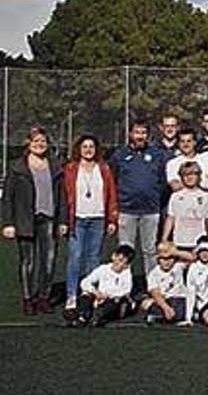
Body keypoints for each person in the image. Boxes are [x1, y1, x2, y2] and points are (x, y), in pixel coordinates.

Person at [2, 127, 67, 314]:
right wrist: (8, 223)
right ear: (28, 144)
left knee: (48, 260)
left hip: (49, 219)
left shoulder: (55, 166)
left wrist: (62, 221)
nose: (39, 144)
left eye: (43, 141)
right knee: (27, 262)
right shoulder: (17, 167)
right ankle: (28, 298)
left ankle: (44, 297)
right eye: (36, 141)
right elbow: (8, 197)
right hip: (25, 220)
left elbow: (61, 195)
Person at [61, 134, 119, 313]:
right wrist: (64, 221)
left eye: (91, 147)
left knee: (93, 259)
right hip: (77, 219)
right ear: (78, 149)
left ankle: (89, 294)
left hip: (98, 219)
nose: (88, 150)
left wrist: (112, 219)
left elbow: (111, 196)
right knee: (75, 257)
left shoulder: (104, 169)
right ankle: (71, 295)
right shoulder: (70, 169)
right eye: (84, 146)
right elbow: (64, 196)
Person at [111, 119, 167, 273]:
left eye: (143, 133)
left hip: (151, 211)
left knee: (150, 251)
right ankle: (122, 288)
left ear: (148, 135)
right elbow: (112, 181)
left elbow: (163, 182)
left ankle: (152, 287)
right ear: (130, 134)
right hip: (126, 211)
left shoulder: (157, 155)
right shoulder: (120, 155)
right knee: (125, 252)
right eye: (137, 132)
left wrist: (154, 199)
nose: (140, 136)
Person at [70, 244, 135, 327]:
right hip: (99, 298)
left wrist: (107, 295)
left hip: (111, 301)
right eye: (119, 260)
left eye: (124, 263)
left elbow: (126, 290)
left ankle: (98, 317)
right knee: (85, 293)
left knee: (117, 300)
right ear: (113, 256)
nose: (120, 264)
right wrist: (95, 292)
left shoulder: (126, 274)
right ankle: (83, 316)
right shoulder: (103, 269)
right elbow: (85, 282)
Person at [160, 161, 208, 250]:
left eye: (193, 174)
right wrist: (164, 239)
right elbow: (170, 218)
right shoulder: (175, 196)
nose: (189, 177)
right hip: (179, 241)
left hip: (198, 242)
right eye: (186, 175)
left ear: (199, 176)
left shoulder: (205, 196)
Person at [142, 242, 191, 325]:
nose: (167, 262)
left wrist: (174, 252)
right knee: (148, 304)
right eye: (163, 259)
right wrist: (166, 308)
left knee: (181, 308)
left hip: (179, 299)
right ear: (158, 259)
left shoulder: (178, 266)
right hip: (164, 300)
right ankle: (163, 316)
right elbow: (155, 293)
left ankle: (160, 317)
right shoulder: (153, 274)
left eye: (170, 258)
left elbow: (192, 258)